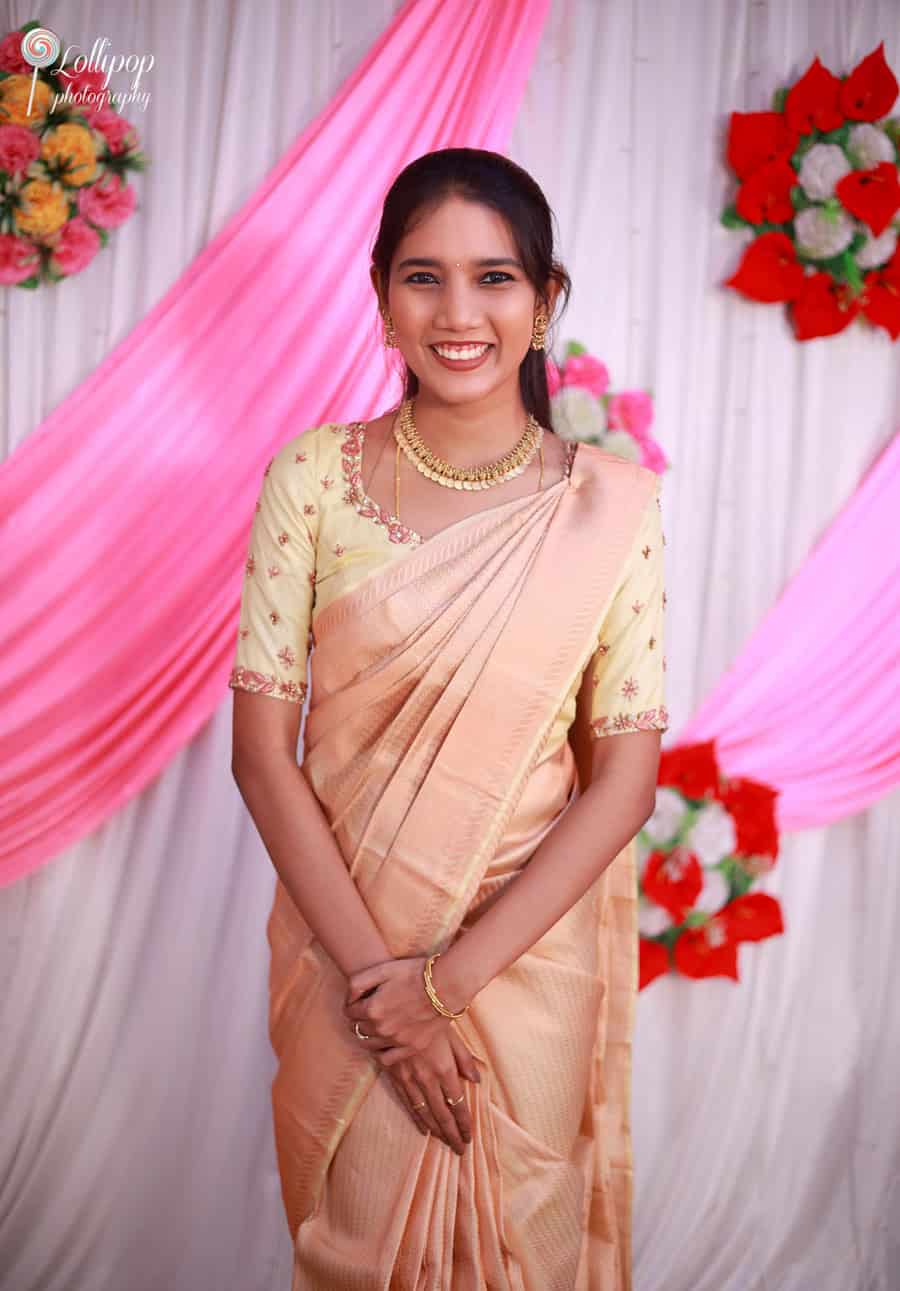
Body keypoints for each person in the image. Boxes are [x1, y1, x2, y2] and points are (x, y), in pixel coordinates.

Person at [229, 147, 669, 1291]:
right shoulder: (316, 479)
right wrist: (390, 994)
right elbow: (262, 755)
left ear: (545, 300)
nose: (459, 312)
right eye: (423, 276)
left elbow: (623, 778)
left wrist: (448, 986)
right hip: (345, 957)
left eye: (496, 278)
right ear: (379, 295)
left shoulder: (608, 506)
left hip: (520, 963)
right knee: (359, 1243)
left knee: (520, 1241)